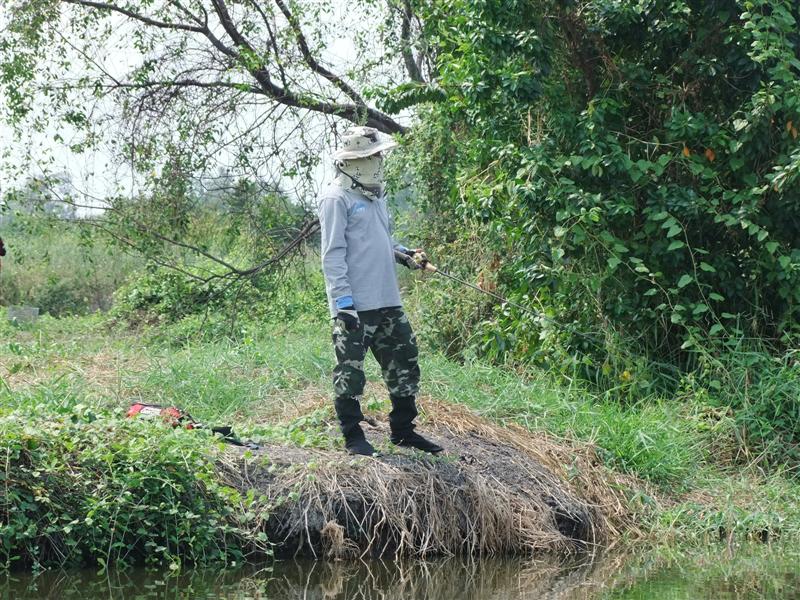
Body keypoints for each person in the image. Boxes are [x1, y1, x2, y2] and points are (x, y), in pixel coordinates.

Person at [317, 126, 443, 456]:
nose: (379, 161)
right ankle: (353, 435)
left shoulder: (376, 196)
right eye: (373, 156)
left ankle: (403, 430)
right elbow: (332, 254)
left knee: (404, 359)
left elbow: (382, 241)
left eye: (378, 155)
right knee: (351, 369)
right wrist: (343, 303)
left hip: (387, 299)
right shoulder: (336, 198)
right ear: (355, 161)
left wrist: (406, 256)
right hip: (355, 304)